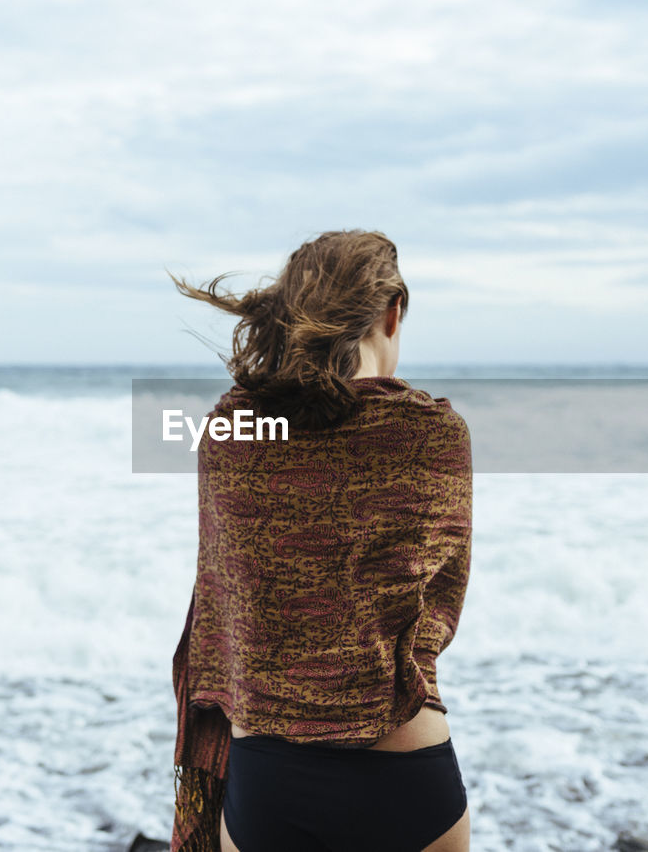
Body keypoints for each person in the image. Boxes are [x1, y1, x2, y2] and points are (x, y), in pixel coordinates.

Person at [168, 230, 473, 852]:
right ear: (392, 313)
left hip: (270, 777)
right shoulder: (434, 433)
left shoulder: (230, 432)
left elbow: (226, 601)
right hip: (405, 770)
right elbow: (438, 600)